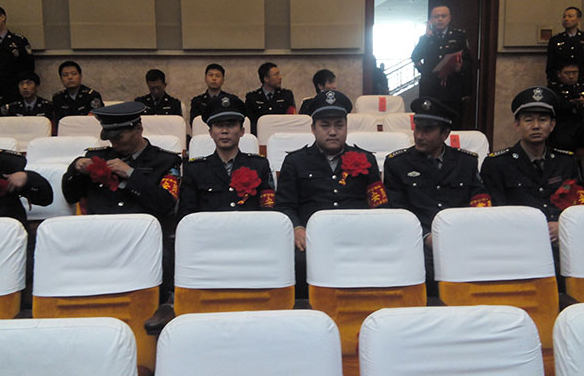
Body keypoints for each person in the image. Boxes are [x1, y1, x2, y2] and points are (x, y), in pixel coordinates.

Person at [275, 90, 388, 298]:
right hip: (311, 240)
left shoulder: (366, 159)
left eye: (339, 125)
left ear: (347, 127)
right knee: (296, 262)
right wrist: (297, 228)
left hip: (358, 238)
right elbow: (284, 206)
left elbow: (379, 205)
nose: (333, 132)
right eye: (325, 126)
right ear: (313, 128)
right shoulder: (295, 162)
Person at [383, 97, 491, 294]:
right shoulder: (397, 163)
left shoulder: (466, 162)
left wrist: (462, 234)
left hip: (461, 240)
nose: (419, 136)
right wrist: (426, 236)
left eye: (428, 130)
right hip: (417, 242)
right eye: (417, 129)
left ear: (445, 134)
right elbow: (397, 210)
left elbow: (479, 201)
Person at [481, 86, 584, 246]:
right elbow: (493, 213)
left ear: (552, 125)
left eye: (543, 120)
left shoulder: (566, 162)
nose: (536, 126)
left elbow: (578, 206)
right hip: (516, 243)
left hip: (561, 242)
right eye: (528, 120)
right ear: (517, 125)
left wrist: (564, 226)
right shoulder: (497, 164)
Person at [62, 101, 181, 217]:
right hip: (98, 226)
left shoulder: (166, 161)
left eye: (119, 137)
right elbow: (71, 197)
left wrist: (131, 174)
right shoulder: (99, 157)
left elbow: (167, 204)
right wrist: (76, 168)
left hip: (140, 226)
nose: (114, 144)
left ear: (138, 129)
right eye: (110, 138)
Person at [179, 94, 274, 220]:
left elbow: (269, 212)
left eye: (231, 125)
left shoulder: (259, 166)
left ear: (242, 131)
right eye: (218, 125)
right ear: (210, 133)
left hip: (250, 230)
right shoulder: (195, 170)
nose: (224, 131)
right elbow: (186, 216)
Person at [411, 5, 472, 129]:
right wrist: (423, 70)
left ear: (449, 18)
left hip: (451, 89)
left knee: (453, 125)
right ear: (431, 20)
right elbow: (415, 57)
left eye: (443, 16)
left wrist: (460, 67)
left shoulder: (459, 37)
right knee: (430, 125)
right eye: (436, 16)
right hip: (431, 89)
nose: (440, 19)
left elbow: (469, 62)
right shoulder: (426, 39)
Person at [245, 62, 296, 134]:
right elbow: (250, 123)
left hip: (282, 134)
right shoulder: (252, 97)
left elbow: (291, 118)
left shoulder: (286, 95)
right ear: (266, 79)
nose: (280, 77)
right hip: (259, 135)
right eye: (276, 75)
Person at [548, 62, 584, 152]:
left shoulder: (581, 88)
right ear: (559, 74)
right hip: (563, 128)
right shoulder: (553, 91)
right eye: (567, 73)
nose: (571, 76)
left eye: (574, 72)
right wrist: (571, 104)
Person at [546, 7, 583, 85]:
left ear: (578, 19)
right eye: (564, 17)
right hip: (561, 84)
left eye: (570, 16)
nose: (566, 19)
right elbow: (550, 65)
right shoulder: (555, 40)